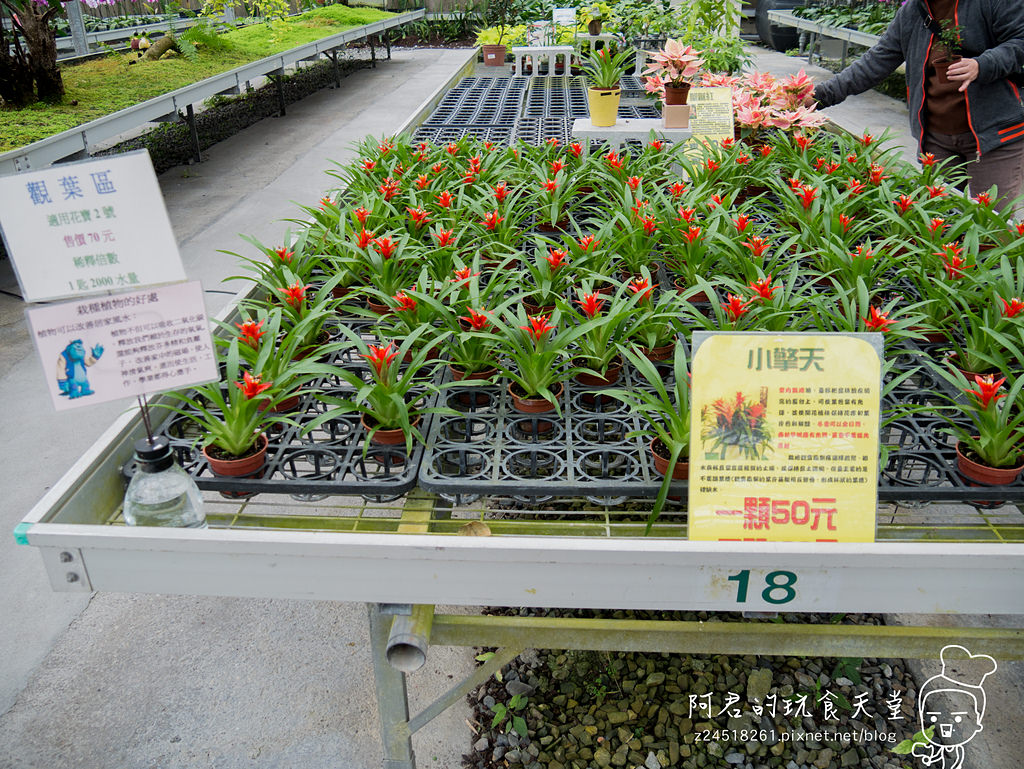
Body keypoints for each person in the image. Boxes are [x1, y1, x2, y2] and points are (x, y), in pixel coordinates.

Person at [807, 0, 1024, 213]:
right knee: (938, 222)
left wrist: (983, 65)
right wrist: (818, 97)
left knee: (991, 226)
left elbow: (1019, 41)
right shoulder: (913, 11)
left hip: (995, 138)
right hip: (937, 140)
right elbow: (877, 60)